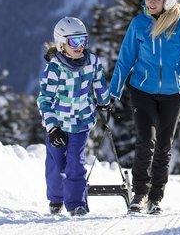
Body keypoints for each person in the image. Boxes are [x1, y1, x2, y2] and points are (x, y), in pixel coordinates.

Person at [109, 0, 180, 215]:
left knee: (164, 146)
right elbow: (125, 60)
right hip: (142, 91)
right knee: (146, 142)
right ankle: (139, 195)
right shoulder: (139, 24)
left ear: (168, 0)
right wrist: (113, 93)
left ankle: (156, 197)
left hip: (172, 94)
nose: (150, 2)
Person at [37, 16, 111, 216]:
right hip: (59, 124)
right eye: (74, 42)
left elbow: (99, 84)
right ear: (62, 44)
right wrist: (52, 127)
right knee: (56, 163)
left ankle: (76, 204)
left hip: (81, 122)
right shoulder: (54, 68)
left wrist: (105, 102)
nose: (80, 46)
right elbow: (44, 100)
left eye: (83, 40)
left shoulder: (92, 62)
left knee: (76, 162)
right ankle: (56, 198)